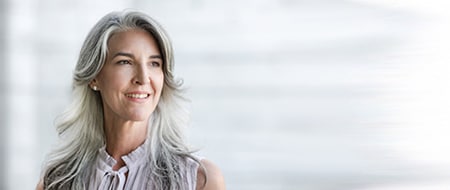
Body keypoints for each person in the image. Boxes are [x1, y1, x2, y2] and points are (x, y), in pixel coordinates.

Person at [36, 10, 225, 190]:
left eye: (154, 64)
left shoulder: (198, 180)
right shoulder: (58, 180)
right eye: (125, 62)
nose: (143, 78)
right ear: (94, 77)